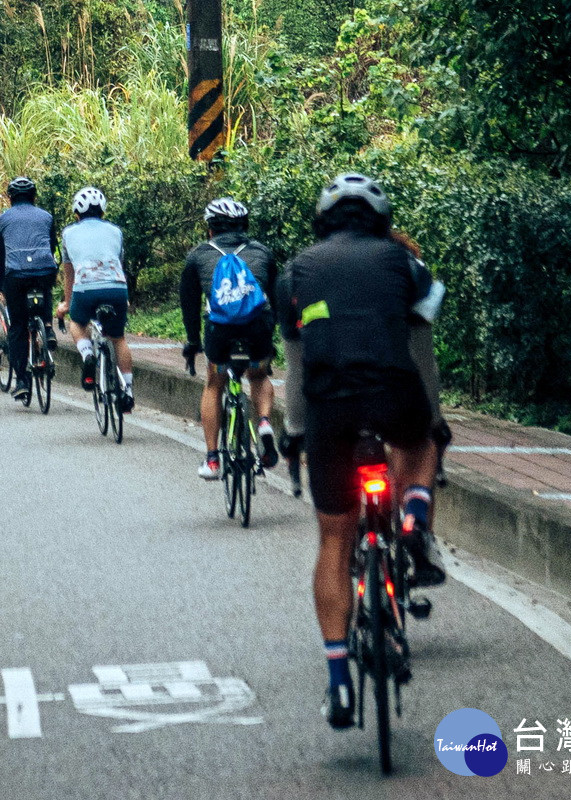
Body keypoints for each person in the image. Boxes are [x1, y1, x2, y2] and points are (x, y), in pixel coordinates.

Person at [276, 173, 445, 730]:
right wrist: (433, 419)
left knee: (335, 538)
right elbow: (421, 346)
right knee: (419, 445)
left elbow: (296, 364)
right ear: (381, 219)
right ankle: (415, 518)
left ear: (323, 220)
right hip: (395, 393)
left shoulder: (296, 272)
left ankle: (339, 682)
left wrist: (296, 433)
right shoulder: (406, 265)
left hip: (330, 410)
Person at [180, 198, 279, 478]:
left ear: (210, 229)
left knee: (214, 384)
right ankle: (263, 422)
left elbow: (189, 304)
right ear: (244, 226)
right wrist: (275, 336)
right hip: (257, 329)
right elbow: (276, 298)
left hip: (220, 332)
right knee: (258, 376)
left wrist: (192, 342)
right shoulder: (262, 252)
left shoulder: (198, 255)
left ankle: (212, 459)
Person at [54, 186, 134, 411]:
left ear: (76, 213)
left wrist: (68, 304)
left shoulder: (68, 234)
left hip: (86, 288)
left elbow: (69, 274)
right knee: (118, 338)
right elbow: (118, 263)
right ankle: (127, 391)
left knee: (77, 323)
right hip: (117, 288)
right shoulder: (115, 231)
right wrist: (123, 296)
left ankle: (88, 355)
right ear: (103, 211)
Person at [0, 176, 59, 404]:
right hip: (44, 270)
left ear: (10, 198)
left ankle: (22, 382)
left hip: (16, 275)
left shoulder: (2, 220)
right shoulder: (47, 216)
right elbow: (51, 247)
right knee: (46, 286)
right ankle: (48, 329)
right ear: (34, 196)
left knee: (19, 326)